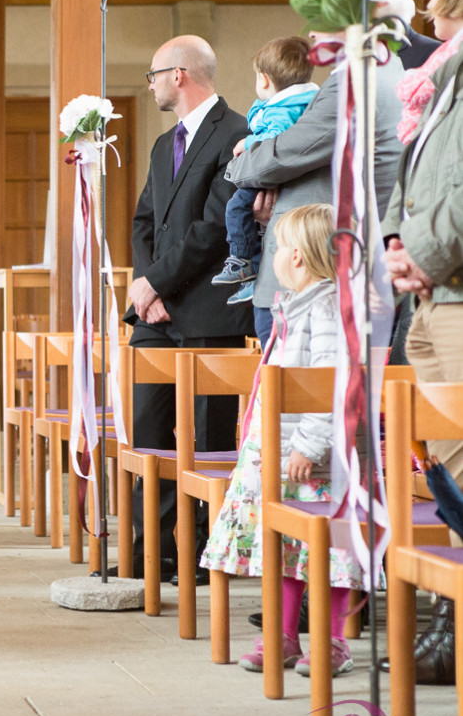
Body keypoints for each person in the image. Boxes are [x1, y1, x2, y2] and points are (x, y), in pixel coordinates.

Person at [199, 204, 360, 676]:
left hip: (315, 460)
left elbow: (333, 382)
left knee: (329, 551)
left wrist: (309, 446)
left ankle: (332, 642)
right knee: (285, 548)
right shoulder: (296, 305)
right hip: (280, 450)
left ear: (298, 259)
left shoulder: (328, 308)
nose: (269, 255)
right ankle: (284, 635)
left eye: (274, 246)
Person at [117, 35, 253, 583]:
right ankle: (152, 552)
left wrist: (158, 284)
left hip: (207, 310)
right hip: (156, 312)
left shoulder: (236, 133)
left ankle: (204, 555)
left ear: (179, 75)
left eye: (153, 75)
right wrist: (146, 287)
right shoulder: (160, 144)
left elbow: (217, 227)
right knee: (149, 431)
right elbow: (143, 222)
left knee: (207, 438)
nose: (149, 85)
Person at [380, 0, 463, 686]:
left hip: (451, 287)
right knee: (442, 457)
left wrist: (421, 255)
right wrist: (396, 241)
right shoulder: (442, 73)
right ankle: (451, 625)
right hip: (431, 292)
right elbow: (418, 174)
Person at [226, 31, 405, 345]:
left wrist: (237, 164)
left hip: (308, 282)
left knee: (295, 389)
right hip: (312, 270)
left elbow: (279, 156)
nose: (312, 31)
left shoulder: (354, 83)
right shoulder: (375, 73)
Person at [212, 37, 318, 305]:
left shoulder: (282, 109)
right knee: (261, 229)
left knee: (236, 208)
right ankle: (253, 277)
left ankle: (240, 260)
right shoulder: (305, 102)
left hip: (272, 176)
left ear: (265, 80)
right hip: (287, 180)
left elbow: (275, 139)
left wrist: (246, 143)